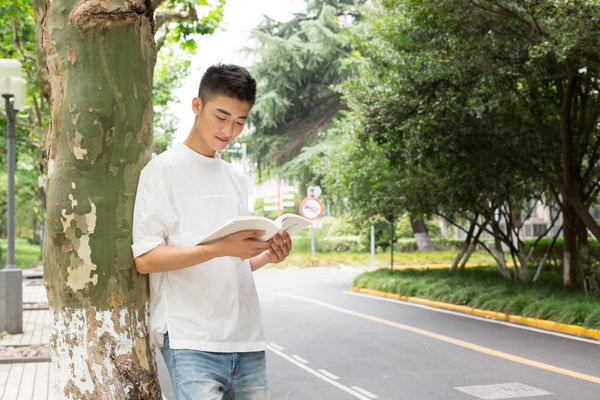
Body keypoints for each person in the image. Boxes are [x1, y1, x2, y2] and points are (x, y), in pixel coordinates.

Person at [131, 63, 292, 400]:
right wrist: (221, 248)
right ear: (196, 106)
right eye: (221, 117)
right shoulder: (162, 170)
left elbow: (233, 262)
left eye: (239, 122)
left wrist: (265, 255)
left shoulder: (235, 178)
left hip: (247, 339)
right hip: (192, 341)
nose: (229, 130)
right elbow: (146, 259)